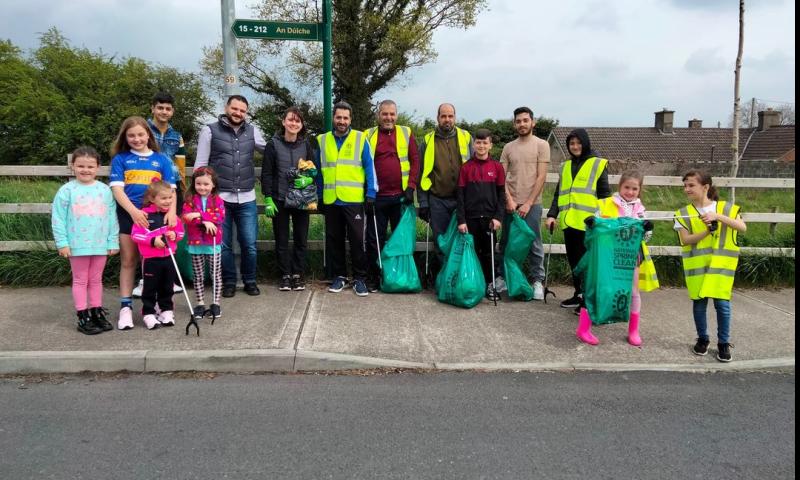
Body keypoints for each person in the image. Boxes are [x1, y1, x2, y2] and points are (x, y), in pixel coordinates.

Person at [109, 116, 177, 330]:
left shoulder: (162, 159)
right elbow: (117, 189)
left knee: (152, 262)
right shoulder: (120, 159)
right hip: (130, 215)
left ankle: (155, 304)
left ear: (148, 134)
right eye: (131, 135)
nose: (136, 139)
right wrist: (134, 212)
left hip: (156, 217)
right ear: (125, 137)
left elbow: (171, 190)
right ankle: (125, 307)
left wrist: (172, 212)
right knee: (129, 260)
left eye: (140, 134)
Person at [195, 95, 266, 298]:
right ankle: (228, 282)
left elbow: (269, 150)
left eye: (243, 110)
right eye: (235, 109)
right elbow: (201, 164)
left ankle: (250, 280)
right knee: (222, 244)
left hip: (247, 197)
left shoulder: (253, 131)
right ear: (227, 107)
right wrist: (202, 197)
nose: (238, 113)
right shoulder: (209, 130)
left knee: (249, 244)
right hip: (220, 199)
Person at [577, 170, 659, 346]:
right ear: (620, 186)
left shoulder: (641, 210)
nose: (630, 192)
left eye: (634, 189)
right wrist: (591, 223)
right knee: (597, 288)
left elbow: (645, 238)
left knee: (633, 291)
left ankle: (633, 330)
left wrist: (646, 228)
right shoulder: (605, 204)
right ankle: (584, 328)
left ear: (639, 190)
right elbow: (593, 231)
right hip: (606, 254)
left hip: (631, 255)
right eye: (626, 187)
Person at [674, 170, 746, 362]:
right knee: (699, 305)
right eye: (685, 185)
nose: (686, 189)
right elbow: (686, 239)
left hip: (721, 267)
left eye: (691, 185)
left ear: (705, 187)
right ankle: (703, 339)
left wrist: (718, 217)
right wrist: (707, 231)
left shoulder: (726, 208)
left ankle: (723, 343)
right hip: (698, 268)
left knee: (722, 305)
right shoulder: (683, 214)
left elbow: (742, 227)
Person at [52, 147, 119, 335]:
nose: (85, 170)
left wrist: (112, 241)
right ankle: (83, 315)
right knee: (81, 280)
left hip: (100, 244)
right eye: (80, 165)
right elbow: (58, 218)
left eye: (90, 166)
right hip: (77, 244)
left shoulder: (105, 190)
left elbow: (112, 217)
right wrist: (62, 243)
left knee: (96, 280)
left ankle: (96, 311)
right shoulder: (66, 190)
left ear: (98, 167)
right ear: (72, 166)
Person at [545, 128, 611, 315]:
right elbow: (559, 193)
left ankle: (589, 300)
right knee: (574, 262)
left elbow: (605, 195)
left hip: (589, 225)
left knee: (588, 264)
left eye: (578, 143)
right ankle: (579, 294)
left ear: (585, 143)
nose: (575, 146)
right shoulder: (565, 166)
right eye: (571, 144)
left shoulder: (598, 164)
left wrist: (603, 221)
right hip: (569, 223)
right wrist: (552, 215)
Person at [315, 101, 377, 296]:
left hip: (354, 200)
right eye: (338, 117)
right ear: (333, 118)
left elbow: (369, 167)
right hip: (331, 200)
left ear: (350, 119)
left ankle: (360, 278)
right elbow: (318, 172)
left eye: (345, 118)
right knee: (335, 240)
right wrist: (319, 196)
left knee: (358, 241)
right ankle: (340, 276)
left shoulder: (360, 138)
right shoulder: (322, 140)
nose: (342, 121)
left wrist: (371, 193)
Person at [131, 91, 188, 297]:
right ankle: (144, 279)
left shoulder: (176, 136)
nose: (164, 111)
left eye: (168, 108)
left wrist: (181, 186)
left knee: (169, 228)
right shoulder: (143, 130)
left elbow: (180, 162)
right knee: (148, 231)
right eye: (160, 107)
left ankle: (169, 278)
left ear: (172, 111)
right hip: (149, 190)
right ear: (153, 108)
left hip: (170, 189)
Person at [364, 99, 420, 292]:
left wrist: (411, 186)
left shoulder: (406, 132)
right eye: (385, 114)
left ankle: (399, 276)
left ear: (396, 115)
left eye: (392, 114)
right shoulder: (368, 135)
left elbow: (415, 160)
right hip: (377, 198)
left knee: (400, 241)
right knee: (374, 239)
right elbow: (363, 163)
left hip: (400, 198)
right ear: (378, 115)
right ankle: (375, 276)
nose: (388, 117)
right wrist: (368, 193)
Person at [260, 106, 317, 292]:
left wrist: (309, 178)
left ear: (301, 125)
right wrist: (268, 197)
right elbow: (267, 173)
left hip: (302, 199)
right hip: (279, 199)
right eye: (290, 120)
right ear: (283, 122)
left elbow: (313, 169)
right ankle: (284, 275)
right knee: (282, 239)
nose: (294, 123)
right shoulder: (272, 144)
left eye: (297, 121)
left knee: (301, 238)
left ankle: (297, 274)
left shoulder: (306, 145)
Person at [499, 106, 549, 300]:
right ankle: (504, 277)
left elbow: (541, 176)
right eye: (518, 121)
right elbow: (501, 177)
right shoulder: (508, 147)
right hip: (510, 204)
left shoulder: (541, 145)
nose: (522, 124)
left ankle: (537, 280)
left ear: (532, 122)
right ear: (514, 124)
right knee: (505, 242)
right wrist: (509, 200)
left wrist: (528, 203)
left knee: (534, 243)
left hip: (532, 204)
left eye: (525, 120)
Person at [417, 103, 473, 276]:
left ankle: (461, 276)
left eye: (450, 116)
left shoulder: (466, 137)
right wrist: (423, 202)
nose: (447, 120)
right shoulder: (427, 140)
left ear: (455, 117)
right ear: (438, 118)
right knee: (440, 241)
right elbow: (420, 173)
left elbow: (474, 167)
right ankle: (444, 278)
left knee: (462, 239)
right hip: (437, 199)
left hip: (462, 200)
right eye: (443, 116)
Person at [456, 129, 506, 301]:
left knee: (489, 254)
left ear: (490, 145)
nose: (481, 146)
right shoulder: (466, 167)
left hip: (490, 220)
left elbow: (501, 195)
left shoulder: (497, 167)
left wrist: (498, 217)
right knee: (472, 253)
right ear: (474, 144)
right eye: (478, 142)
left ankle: (490, 285)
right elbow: (460, 196)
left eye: (485, 142)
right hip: (470, 219)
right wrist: (461, 220)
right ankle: (473, 285)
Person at [131, 180, 185, 330]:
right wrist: (152, 240)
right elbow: (135, 235)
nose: (167, 201)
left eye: (170, 198)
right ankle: (148, 312)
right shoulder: (145, 215)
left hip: (169, 257)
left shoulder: (172, 216)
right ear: (152, 198)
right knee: (150, 287)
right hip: (150, 260)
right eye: (163, 198)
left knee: (167, 286)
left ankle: (166, 310)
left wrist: (174, 235)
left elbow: (181, 233)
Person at [182, 166, 225, 320]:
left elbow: (219, 218)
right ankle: (200, 303)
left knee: (216, 274)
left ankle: (216, 303)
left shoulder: (218, 200)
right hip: (196, 243)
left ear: (213, 185)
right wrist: (205, 220)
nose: (202, 187)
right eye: (198, 184)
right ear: (194, 183)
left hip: (213, 243)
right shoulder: (189, 200)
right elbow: (187, 218)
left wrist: (199, 215)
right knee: (198, 275)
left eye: (206, 184)